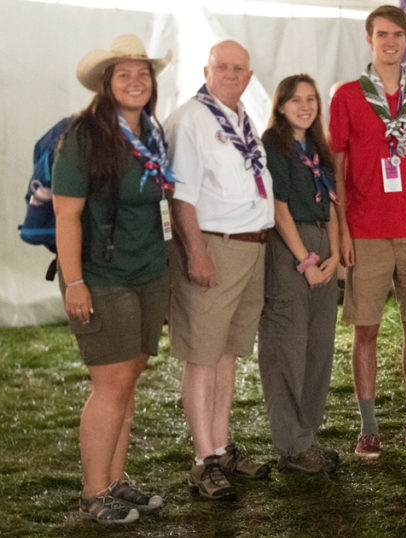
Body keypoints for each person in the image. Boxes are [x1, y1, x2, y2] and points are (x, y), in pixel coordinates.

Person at [53, 34, 173, 524]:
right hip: (101, 276)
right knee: (112, 382)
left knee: (129, 379)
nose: (135, 81)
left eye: (143, 74)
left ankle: (115, 480)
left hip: (149, 271)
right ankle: (94, 493)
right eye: (123, 74)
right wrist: (75, 282)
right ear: (106, 83)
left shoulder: (152, 132)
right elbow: (66, 216)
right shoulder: (84, 135)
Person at [329, 5, 406, 459]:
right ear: (369, 40)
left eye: (397, 34)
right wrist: (341, 230)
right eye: (382, 34)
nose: (390, 42)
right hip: (365, 232)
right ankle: (368, 428)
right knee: (366, 332)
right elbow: (337, 168)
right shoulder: (346, 96)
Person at [165, 40, 273, 500]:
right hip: (213, 246)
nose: (231, 74)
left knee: (228, 354)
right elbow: (181, 195)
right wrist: (196, 252)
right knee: (203, 356)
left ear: (249, 77)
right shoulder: (191, 118)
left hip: (251, 248)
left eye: (239, 68)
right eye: (222, 67)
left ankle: (222, 445)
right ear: (206, 70)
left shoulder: (241, 117)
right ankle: (202, 458)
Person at [257, 74, 341, 474]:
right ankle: (291, 445)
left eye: (311, 99)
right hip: (292, 249)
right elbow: (278, 207)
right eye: (296, 100)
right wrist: (306, 261)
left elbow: (334, 204)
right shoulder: (273, 145)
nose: (305, 106)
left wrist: (336, 254)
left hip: (324, 245)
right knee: (286, 348)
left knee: (318, 348)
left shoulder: (318, 147)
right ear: (281, 106)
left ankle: (308, 437)